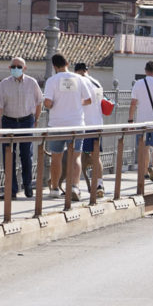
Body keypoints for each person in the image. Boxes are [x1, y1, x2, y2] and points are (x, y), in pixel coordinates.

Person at [43, 53, 94, 200]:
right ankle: (74, 187)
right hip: (77, 123)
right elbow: (89, 99)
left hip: (57, 124)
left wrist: (53, 105)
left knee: (56, 157)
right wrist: (78, 104)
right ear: (67, 63)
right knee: (76, 156)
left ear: (54, 66)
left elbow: (48, 102)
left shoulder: (52, 81)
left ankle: (54, 189)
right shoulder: (79, 79)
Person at [0, 55, 42, 199]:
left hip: (27, 121)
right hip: (9, 121)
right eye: (13, 67)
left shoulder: (32, 83)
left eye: (19, 67)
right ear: (9, 68)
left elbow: (39, 102)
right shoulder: (3, 84)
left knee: (27, 155)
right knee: (9, 156)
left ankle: (27, 185)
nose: (15, 69)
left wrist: (35, 120)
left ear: (24, 68)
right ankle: (11, 190)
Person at [74, 62, 106, 198]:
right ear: (87, 70)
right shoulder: (97, 82)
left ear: (77, 71)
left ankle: (76, 187)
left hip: (84, 124)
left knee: (76, 156)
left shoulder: (79, 81)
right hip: (97, 123)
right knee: (96, 156)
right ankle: (99, 183)